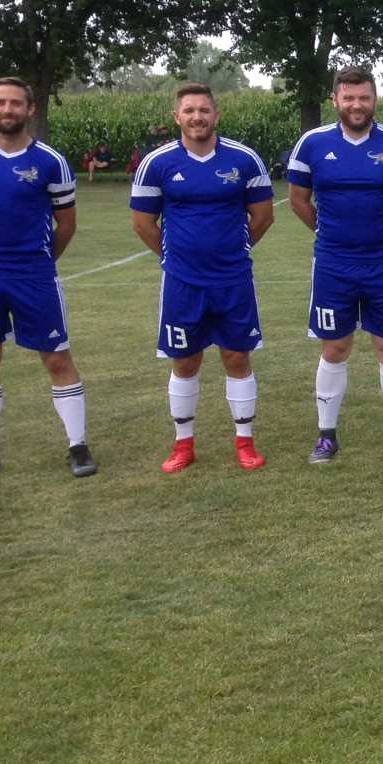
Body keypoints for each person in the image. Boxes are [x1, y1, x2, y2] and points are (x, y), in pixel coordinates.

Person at [0, 76, 98, 480]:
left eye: (15, 103)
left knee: (56, 356)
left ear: (30, 109)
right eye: (0, 102)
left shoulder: (50, 161)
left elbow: (66, 224)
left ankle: (78, 446)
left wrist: (39, 260)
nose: (7, 109)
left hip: (33, 275)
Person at [130, 82, 275, 472]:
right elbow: (143, 223)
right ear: (177, 116)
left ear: (216, 115)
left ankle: (245, 442)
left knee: (237, 356)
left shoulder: (244, 159)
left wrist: (235, 249)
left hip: (233, 280)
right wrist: (173, 256)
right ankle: (183, 444)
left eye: (204, 110)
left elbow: (263, 217)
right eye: (189, 110)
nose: (197, 117)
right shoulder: (157, 163)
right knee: (185, 361)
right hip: (182, 282)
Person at [287, 67, 383, 461]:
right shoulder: (312, 144)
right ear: (335, 100)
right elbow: (298, 200)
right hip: (333, 264)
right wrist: (328, 231)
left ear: (374, 99)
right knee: (335, 346)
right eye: (348, 97)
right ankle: (326, 436)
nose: (356, 105)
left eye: (364, 97)